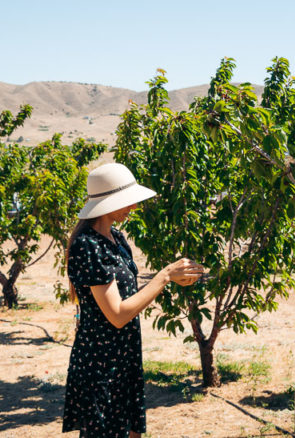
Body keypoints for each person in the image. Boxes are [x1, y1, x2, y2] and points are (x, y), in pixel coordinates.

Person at [62, 163, 204, 438]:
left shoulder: (115, 238)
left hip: (124, 355)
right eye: (128, 202)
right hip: (101, 362)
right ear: (107, 203)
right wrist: (164, 276)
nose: (134, 207)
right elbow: (117, 314)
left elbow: (129, 294)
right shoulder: (88, 246)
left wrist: (177, 278)